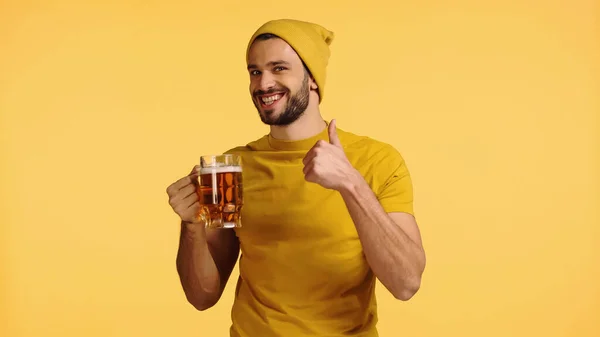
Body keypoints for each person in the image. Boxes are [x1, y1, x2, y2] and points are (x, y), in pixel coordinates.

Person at [166, 18, 426, 337]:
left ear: (313, 79)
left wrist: (351, 184)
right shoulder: (231, 170)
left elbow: (406, 283)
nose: (263, 84)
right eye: (255, 71)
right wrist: (192, 225)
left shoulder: (377, 161)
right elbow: (202, 296)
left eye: (279, 68)